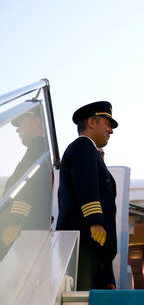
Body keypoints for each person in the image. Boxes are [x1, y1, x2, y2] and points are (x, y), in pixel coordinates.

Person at [56, 101, 118, 290]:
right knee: (81, 295)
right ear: (92, 122)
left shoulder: (91, 151)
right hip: (84, 238)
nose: (111, 130)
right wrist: (95, 221)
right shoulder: (83, 146)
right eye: (107, 124)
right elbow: (86, 185)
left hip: (93, 242)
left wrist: (108, 274)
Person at [0, 105, 52, 260]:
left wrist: (15, 222)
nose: (17, 129)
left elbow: (30, 186)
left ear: (36, 121)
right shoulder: (38, 150)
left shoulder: (38, 148)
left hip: (22, 230)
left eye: (21, 122)